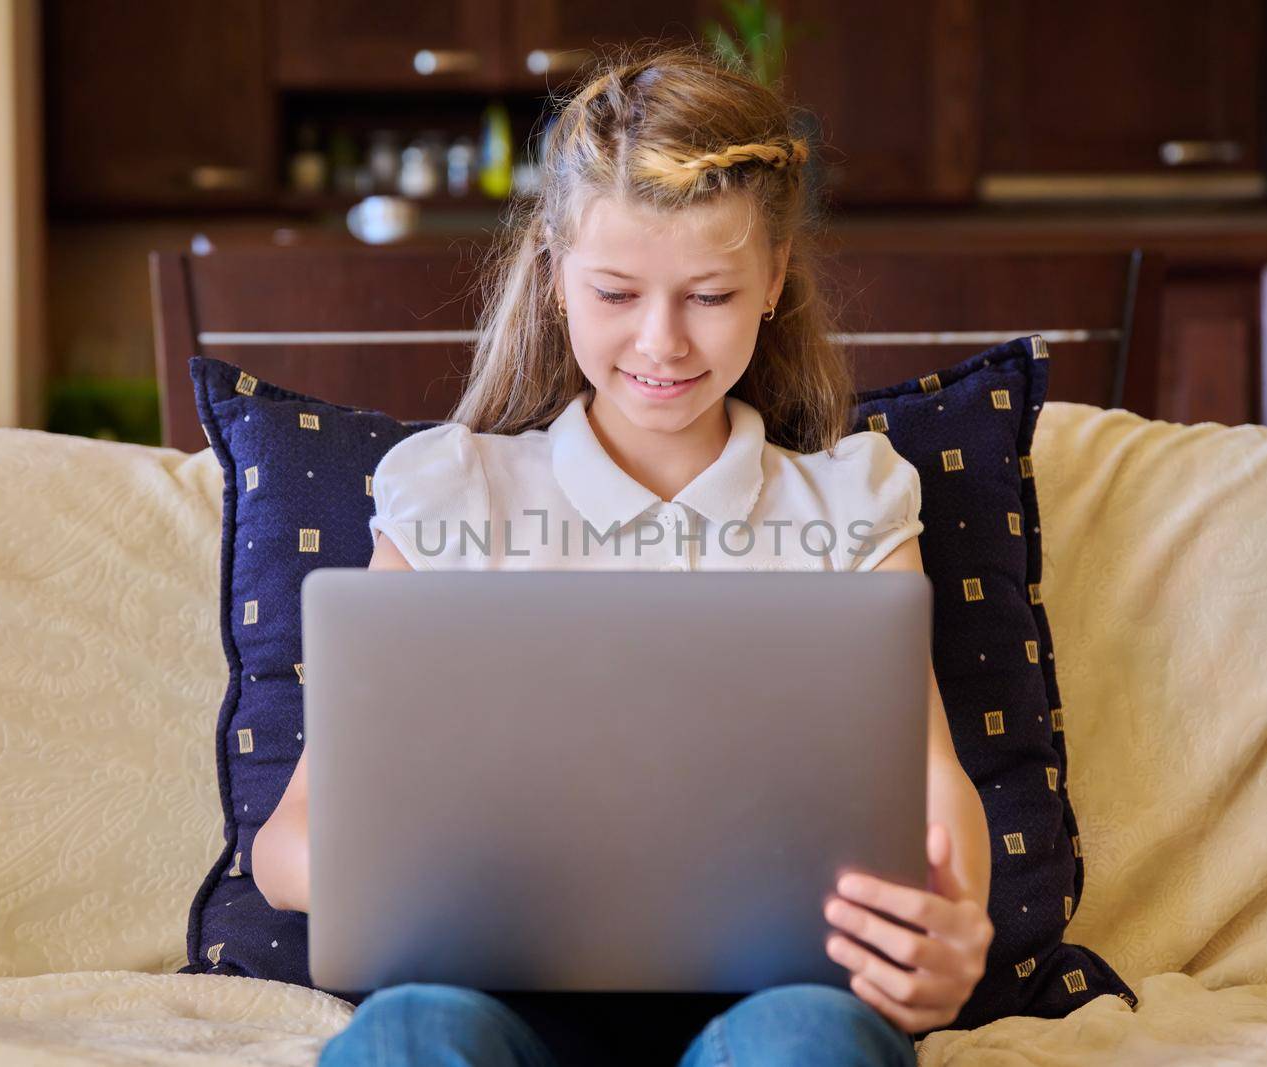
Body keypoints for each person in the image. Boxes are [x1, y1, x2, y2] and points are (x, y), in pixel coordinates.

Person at [253, 41, 994, 1067]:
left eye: (708, 296)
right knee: (415, 1034)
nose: (661, 343)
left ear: (774, 278)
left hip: (780, 994)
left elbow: (930, 783)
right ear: (554, 273)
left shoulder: (851, 500)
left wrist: (953, 926)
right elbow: (287, 842)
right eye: (615, 292)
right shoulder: (453, 490)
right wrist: (398, 875)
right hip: (492, 993)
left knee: (807, 1046)